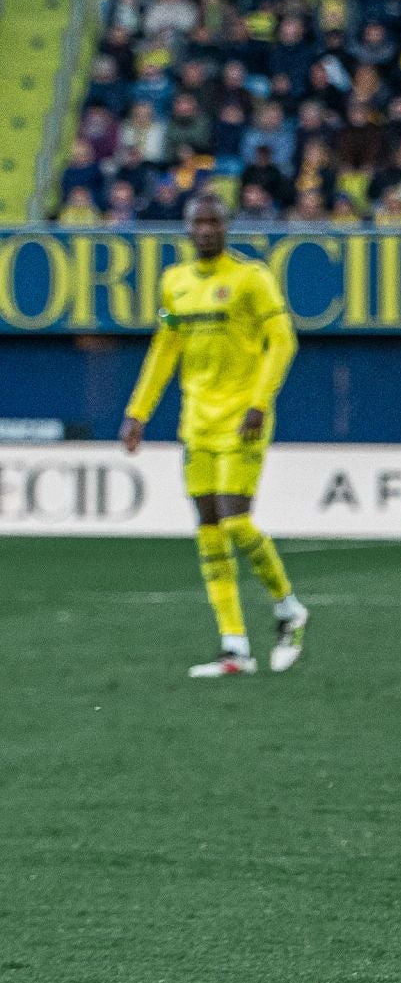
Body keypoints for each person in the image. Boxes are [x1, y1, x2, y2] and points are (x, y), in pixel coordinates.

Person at [120, 195, 308, 678]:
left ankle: (288, 608)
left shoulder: (251, 278)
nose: (205, 230)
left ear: (226, 227)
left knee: (235, 524)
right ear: (186, 230)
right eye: (197, 223)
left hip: (241, 418)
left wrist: (259, 401)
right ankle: (235, 646)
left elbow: (283, 339)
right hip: (196, 422)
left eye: (213, 222)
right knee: (207, 531)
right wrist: (138, 411)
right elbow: (167, 344)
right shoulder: (174, 284)